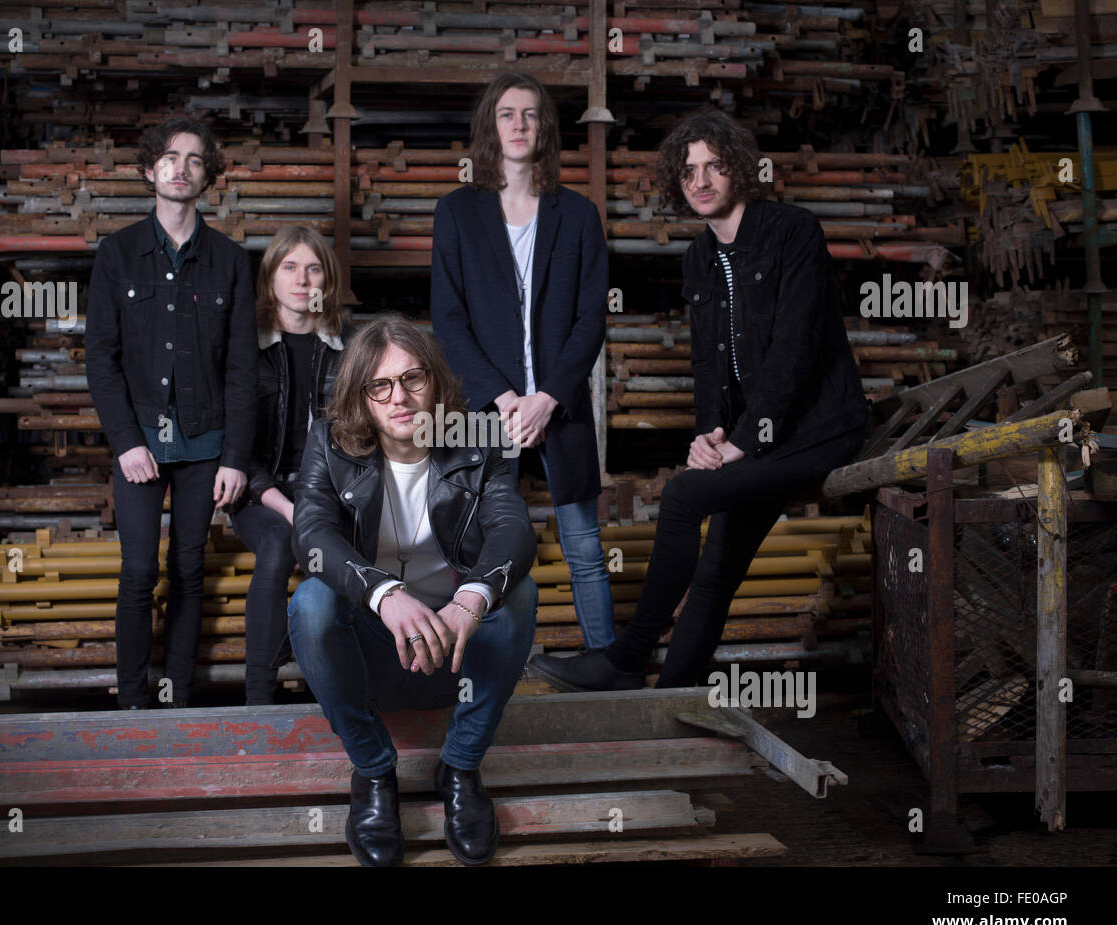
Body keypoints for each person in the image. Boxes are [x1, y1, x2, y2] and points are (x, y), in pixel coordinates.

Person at [530, 108, 870, 692]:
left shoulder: (793, 231)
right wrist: (710, 435)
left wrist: (742, 442)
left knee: (686, 496)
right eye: (689, 172)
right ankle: (667, 703)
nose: (702, 181)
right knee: (715, 570)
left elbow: (796, 350)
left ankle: (626, 658)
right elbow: (709, 365)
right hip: (755, 439)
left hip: (818, 431)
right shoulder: (699, 259)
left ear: (737, 169)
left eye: (714, 166)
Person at [288, 315, 538, 866]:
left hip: (457, 652)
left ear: (436, 380)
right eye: (379, 385)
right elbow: (310, 535)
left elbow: (513, 529)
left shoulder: (479, 437)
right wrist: (382, 592)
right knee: (311, 602)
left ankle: (461, 768)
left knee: (517, 591)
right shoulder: (328, 443)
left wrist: (471, 598)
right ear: (361, 395)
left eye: (412, 379)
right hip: (375, 655)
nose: (398, 397)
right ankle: (375, 773)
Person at [431, 71, 615, 650]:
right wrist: (506, 399)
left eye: (530, 114)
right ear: (491, 125)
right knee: (482, 546)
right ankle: (482, 664)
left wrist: (548, 397)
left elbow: (592, 319)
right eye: (507, 114)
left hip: (560, 406)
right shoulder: (457, 213)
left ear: (545, 129)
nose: (518, 124)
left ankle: (606, 663)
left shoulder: (578, 216)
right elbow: (449, 320)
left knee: (584, 545)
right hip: (488, 411)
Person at [85, 116, 257, 709]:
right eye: (169, 157)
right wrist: (128, 442)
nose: (180, 168)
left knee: (188, 572)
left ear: (208, 174)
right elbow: (101, 363)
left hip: (205, 446)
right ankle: (132, 701)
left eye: (193, 159)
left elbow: (242, 370)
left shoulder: (232, 262)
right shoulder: (117, 254)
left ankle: (176, 697)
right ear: (148, 169)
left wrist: (235, 458)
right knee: (138, 573)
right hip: (139, 446)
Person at [226, 225, 349, 705]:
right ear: (271, 278)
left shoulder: (350, 348)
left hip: (327, 492)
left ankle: (340, 690)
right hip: (259, 492)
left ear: (327, 280)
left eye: (314, 268)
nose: (303, 280)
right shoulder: (244, 350)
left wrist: (320, 506)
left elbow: (360, 438)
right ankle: (260, 694)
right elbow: (234, 444)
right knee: (278, 542)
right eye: (290, 267)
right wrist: (289, 508)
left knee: (345, 559)